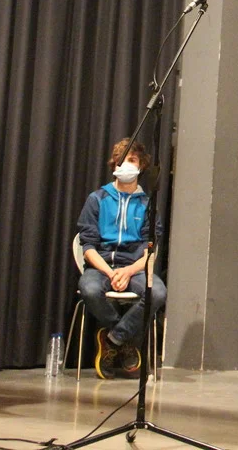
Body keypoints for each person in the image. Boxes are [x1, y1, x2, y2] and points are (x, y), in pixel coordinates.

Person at [77, 137, 167, 379]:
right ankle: (124, 340)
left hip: (134, 268)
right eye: (123, 159)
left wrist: (127, 272)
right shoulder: (97, 199)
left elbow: (150, 250)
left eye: (133, 159)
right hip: (101, 266)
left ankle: (113, 339)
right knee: (89, 289)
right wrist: (110, 272)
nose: (127, 164)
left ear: (141, 166)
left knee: (157, 293)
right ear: (115, 164)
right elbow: (88, 246)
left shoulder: (148, 205)